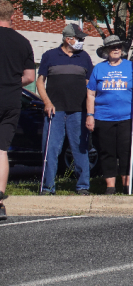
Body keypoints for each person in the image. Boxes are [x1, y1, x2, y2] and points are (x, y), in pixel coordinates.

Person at [37, 23, 93, 195]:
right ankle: (48, 187)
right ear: (69, 39)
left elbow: (89, 85)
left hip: (78, 111)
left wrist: (91, 110)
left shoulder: (84, 57)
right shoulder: (50, 56)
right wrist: (47, 102)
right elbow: (40, 82)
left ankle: (83, 186)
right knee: (51, 149)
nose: (81, 41)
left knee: (80, 148)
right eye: (79, 38)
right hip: (55, 111)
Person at [0, 0, 36, 220]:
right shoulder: (23, 42)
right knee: (1, 150)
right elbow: (30, 77)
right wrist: (12, 84)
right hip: (10, 100)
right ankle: (0, 202)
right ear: (12, 17)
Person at [86, 35, 133, 195]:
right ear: (106, 50)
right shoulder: (99, 68)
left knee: (126, 152)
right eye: (113, 47)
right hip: (103, 118)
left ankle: (127, 187)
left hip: (127, 118)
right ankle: (110, 187)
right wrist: (90, 115)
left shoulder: (131, 67)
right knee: (107, 152)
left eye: (118, 46)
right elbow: (91, 94)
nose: (116, 49)